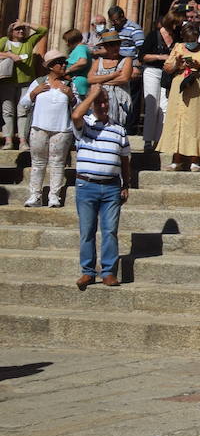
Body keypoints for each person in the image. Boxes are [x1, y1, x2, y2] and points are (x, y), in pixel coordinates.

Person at [71, 83, 132, 289]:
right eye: (99, 102)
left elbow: (125, 160)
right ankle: (87, 272)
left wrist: (126, 184)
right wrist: (93, 95)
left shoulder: (119, 129)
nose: (103, 105)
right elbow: (75, 116)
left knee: (110, 231)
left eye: (105, 101)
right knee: (87, 231)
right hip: (86, 185)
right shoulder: (85, 124)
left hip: (112, 187)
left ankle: (108, 272)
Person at [19, 51, 74, 207]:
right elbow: (24, 104)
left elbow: (78, 106)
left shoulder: (69, 84)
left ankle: (54, 196)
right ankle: (35, 195)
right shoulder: (38, 82)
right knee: (37, 163)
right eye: (60, 63)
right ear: (51, 66)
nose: (64, 65)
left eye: (65, 63)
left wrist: (71, 96)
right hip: (39, 127)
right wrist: (34, 93)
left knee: (57, 163)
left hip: (62, 129)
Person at [162, 21, 200, 172]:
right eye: (188, 40)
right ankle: (176, 159)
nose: (190, 43)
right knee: (178, 121)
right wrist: (177, 63)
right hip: (179, 87)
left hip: (197, 87)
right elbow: (167, 67)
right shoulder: (178, 47)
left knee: (196, 122)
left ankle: (195, 159)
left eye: (193, 39)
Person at [137, 9, 181, 151]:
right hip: (152, 71)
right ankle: (148, 140)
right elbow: (142, 57)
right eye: (175, 23)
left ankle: (161, 140)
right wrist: (160, 57)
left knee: (165, 106)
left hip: (168, 73)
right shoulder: (153, 35)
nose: (177, 26)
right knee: (151, 105)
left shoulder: (177, 36)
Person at [1, 20, 48, 149]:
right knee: (7, 112)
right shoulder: (5, 41)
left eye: (23, 29)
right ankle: (8, 140)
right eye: (18, 29)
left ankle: (23, 140)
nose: (21, 31)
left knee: (23, 111)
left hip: (26, 82)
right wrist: (9, 55)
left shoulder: (28, 42)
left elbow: (43, 30)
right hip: (7, 81)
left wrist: (26, 23)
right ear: (11, 31)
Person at [88, 31, 134, 127]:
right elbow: (90, 79)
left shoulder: (126, 60)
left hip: (120, 100)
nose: (115, 47)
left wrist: (101, 81)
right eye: (112, 45)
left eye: (117, 44)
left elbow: (124, 78)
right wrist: (112, 75)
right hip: (100, 99)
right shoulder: (98, 61)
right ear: (106, 46)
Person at [62, 28, 93, 98]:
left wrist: (67, 70)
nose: (66, 44)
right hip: (76, 83)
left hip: (78, 84)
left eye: (66, 41)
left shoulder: (81, 48)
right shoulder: (78, 49)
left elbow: (83, 62)